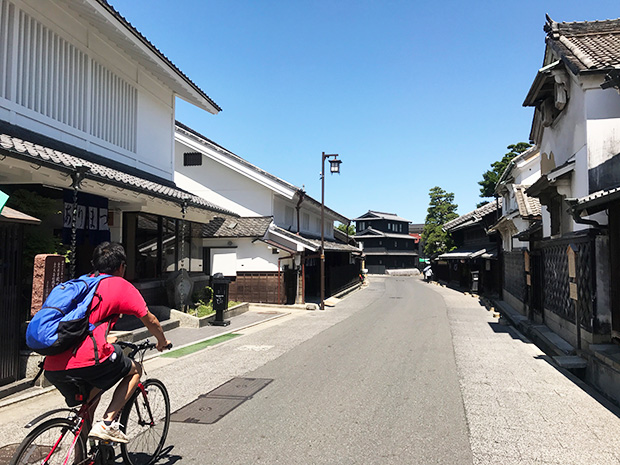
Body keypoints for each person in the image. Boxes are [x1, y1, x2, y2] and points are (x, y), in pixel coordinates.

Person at [44, 242, 171, 443]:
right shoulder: (120, 285)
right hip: (88, 360)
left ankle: (82, 459)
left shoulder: (81, 284)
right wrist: (162, 341)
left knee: (89, 404)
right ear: (121, 266)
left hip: (53, 363)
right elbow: (151, 320)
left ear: (94, 264)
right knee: (135, 369)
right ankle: (108, 423)